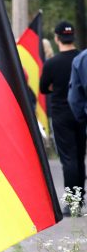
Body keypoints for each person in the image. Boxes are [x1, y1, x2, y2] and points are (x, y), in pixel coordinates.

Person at [42, 21, 85, 212]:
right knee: (79, 156)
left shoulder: (52, 63)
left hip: (61, 114)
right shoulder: (82, 59)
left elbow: (44, 88)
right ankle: (79, 199)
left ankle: (72, 203)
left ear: (57, 38)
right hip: (81, 113)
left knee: (68, 159)